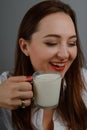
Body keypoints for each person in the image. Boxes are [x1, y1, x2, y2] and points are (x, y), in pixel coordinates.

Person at [0, 0, 87, 130]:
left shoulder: (84, 80)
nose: (64, 55)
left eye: (72, 43)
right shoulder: (5, 85)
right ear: (25, 47)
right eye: (51, 43)